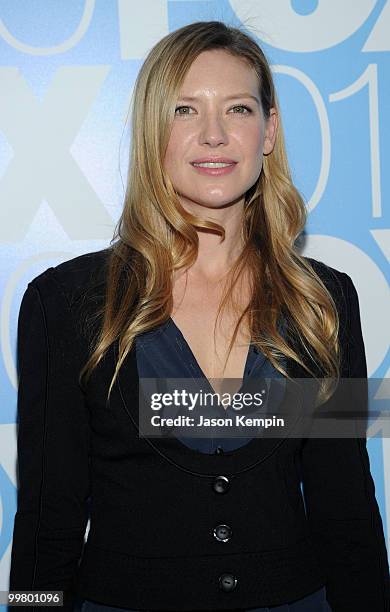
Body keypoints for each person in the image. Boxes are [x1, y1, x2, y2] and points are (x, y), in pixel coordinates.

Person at [9, 20, 389, 612]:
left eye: (237, 108)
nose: (214, 135)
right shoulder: (65, 302)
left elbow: (346, 508)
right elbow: (45, 522)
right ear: (152, 131)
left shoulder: (325, 300)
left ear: (269, 130)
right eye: (185, 110)